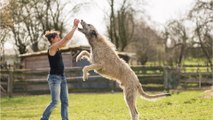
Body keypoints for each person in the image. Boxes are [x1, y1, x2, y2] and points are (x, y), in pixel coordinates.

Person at [40, 19, 79, 120]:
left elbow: (66, 40)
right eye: (57, 37)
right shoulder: (52, 48)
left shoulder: (57, 48)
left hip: (62, 77)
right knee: (55, 102)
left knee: (65, 101)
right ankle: (43, 118)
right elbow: (66, 39)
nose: (59, 38)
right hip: (54, 79)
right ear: (52, 39)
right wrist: (74, 27)